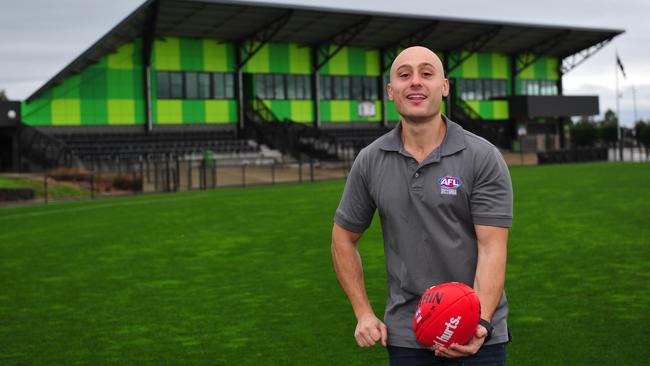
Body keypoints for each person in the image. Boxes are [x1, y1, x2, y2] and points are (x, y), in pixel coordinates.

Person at [331, 46, 513, 365]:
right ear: (391, 91)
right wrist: (363, 313)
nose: (415, 82)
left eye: (427, 73)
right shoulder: (369, 160)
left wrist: (480, 324)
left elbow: (492, 249)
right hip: (407, 335)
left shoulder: (482, 157)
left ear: (444, 87)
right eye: (404, 75)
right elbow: (343, 238)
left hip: (477, 336)